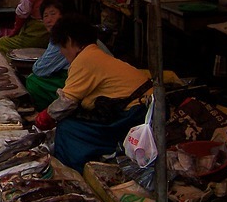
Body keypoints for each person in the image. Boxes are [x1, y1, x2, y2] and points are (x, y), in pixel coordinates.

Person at [34, 14, 151, 172]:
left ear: (69, 41)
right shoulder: (94, 53)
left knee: (68, 128)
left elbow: (66, 102)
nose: (62, 53)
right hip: (142, 106)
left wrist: (44, 118)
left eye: (61, 47)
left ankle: (71, 171)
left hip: (135, 114)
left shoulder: (85, 58)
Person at [23, 0, 117, 111]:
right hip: (102, 82)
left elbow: (40, 69)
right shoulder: (75, 32)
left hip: (106, 91)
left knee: (33, 82)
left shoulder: (68, 38)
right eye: (45, 16)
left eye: (53, 14)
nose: (48, 20)